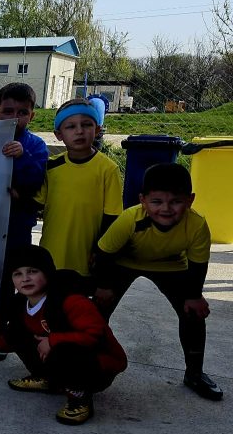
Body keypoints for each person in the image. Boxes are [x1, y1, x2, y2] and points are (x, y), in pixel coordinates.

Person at [93, 163, 222, 400]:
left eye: (175, 201)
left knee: (193, 313)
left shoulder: (197, 224)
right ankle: (89, 362)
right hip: (124, 263)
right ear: (142, 200)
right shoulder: (130, 219)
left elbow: (198, 265)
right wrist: (103, 286)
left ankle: (194, 373)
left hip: (171, 265)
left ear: (190, 200)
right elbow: (104, 253)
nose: (166, 209)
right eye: (157, 201)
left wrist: (194, 296)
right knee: (96, 311)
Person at [0, 245, 127, 425]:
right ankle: (48, 379)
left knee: (63, 350)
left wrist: (53, 341)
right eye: (17, 274)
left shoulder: (70, 300)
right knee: (19, 333)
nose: (25, 278)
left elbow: (94, 336)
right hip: (61, 352)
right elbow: (16, 334)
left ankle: (79, 398)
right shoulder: (21, 304)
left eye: (32, 271)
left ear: (47, 273)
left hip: (98, 365)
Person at [0, 83, 49, 362]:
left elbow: (36, 180)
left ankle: (1, 336)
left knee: (11, 283)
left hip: (16, 228)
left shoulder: (35, 146)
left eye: (22, 113)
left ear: (32, 115)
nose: (14, 118)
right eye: (8, 111)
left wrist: (22, 157)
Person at [35, 98, 122, 286]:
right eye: (71, 126)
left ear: (97, 130)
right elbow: (35, 203)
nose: (80, 131)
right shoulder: (51, 166)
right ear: (59, 135)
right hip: (51, 254)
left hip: (86, 259)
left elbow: (113, 217)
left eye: (87, 124)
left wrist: (100, 252)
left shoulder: (108, 169)